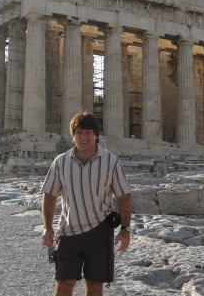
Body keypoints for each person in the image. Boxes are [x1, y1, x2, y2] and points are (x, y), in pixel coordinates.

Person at [41, 112, 132, 296]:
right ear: (73, 135)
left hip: (99, 232)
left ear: (96, 135)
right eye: (80, 133)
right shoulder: (60, 162)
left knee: (94, 286)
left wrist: (125, 228)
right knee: (64, 284)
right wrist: (47, 227)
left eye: (88, 133)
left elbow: (123, 197)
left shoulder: (111, 162)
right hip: (68, 231)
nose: (84, 137)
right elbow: (49, 195)